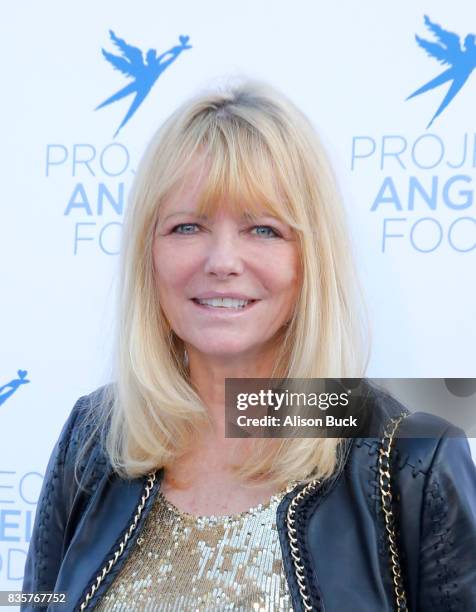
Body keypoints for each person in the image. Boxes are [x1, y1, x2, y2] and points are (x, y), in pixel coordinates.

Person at [22, 81, 476, 611]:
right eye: (187, 226)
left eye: (262, 230)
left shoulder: (409, 459)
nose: (221, 261)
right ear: (149, 254)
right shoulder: (95, 437)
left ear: (311, 258)